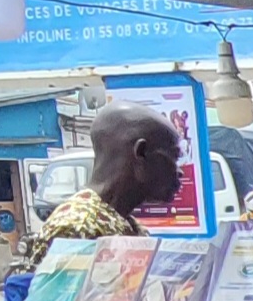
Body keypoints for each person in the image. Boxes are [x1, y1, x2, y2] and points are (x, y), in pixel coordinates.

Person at [17, 103, 182, 273]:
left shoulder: (124, 223)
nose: (180, 171)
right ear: (141, 153)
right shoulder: (77, 228)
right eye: (174, 157)